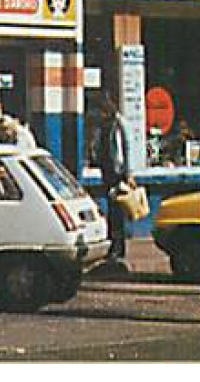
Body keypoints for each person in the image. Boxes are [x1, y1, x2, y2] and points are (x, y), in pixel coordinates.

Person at [90, 94, 132, 269]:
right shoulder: (105, 126)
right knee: (114, 211)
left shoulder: (116, 125)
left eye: (99, 111)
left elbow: (123, 149)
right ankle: (115, 246)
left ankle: (118, 248)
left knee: (117, 212)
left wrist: (126, 172)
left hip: (116, 173)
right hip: (109, 172)